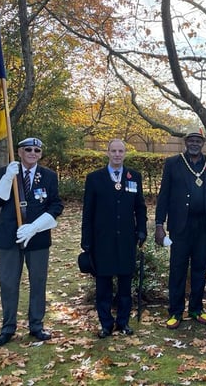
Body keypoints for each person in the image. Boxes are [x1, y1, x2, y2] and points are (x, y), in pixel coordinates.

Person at [0, 137, 64, 347]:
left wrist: (35, 227)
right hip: (9, 237)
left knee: (38, 282)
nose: (33, 153)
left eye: (37, 150)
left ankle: (36, 325)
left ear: (40, 154)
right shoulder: (8, 171)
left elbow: (56, 204)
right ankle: (8, 328)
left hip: (38, 238)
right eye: (28, 149)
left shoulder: (48, 176)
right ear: (20, 152)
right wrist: (7, 180)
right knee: (8, 283)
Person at [154, 129, 206, 329]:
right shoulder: (173, 163)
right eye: (191, 140)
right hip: (180, 226)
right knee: (177, 268)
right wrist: (159, 224)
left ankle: (196, 308)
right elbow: (164, 196)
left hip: (204, 226)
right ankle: (175, 311)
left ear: (203, 143)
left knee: (199, 268)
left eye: (198, 141)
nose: (194, 143)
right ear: (186, 142)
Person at [81, 139, 148, 338]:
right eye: (114, 151)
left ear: (125, 153)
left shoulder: (133, 177)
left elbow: (140, 207)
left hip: (127, 239)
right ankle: (106, 324)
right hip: (102, 241)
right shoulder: (94, 178)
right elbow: (88, 212)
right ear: (107, 153)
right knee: (103, 286)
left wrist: (142, 230)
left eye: (121, 151)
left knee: (125, 287)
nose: (117, 154)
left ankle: (123, 322)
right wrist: (86, 240)